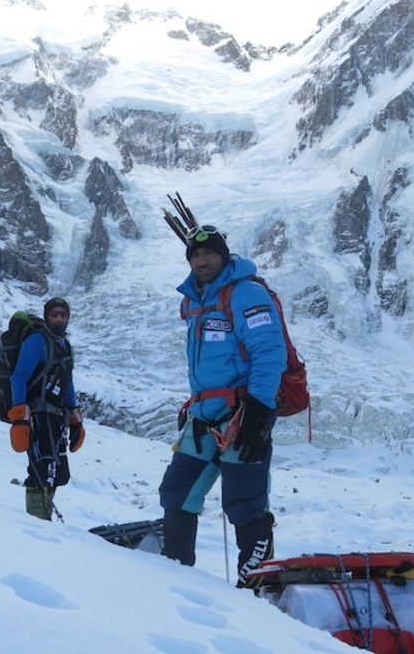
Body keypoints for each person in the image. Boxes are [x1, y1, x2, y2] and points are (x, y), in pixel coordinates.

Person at [158, 225, 287, 587]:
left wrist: (260, 415)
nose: (202, 259)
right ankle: (176, 579)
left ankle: (256, 589)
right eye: (195, 255)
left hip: (244, 413)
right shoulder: (194, 301)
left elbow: (268, 351)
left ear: (224, 255)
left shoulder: (246, 294)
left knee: (245, 504)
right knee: (178, 493)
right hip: (203, 416)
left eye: (209, 253)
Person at [7, 297, 85, 520]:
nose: (59, 318)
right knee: (40, 470)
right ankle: (36, 520)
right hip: (36, 415)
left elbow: (67, 382)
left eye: (63, 314)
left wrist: (75, 418)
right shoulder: (37, 341)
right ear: (46, 317)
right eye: (54, 314)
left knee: (58, 472)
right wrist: (20, 418)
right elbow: (19, 377)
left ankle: (43, 514)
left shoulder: (64, 346)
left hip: (56, 417)